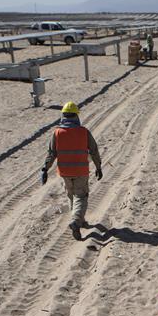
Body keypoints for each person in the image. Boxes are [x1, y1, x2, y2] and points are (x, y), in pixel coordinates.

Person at [40, 101, 103, 240]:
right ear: (76, 116)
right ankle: (76, 221)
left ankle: (80, 219)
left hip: (65, 172)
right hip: (81, 171)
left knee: (71, 196)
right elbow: (94, 150)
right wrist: (98, 167)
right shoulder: (84, 132)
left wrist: (45, 168)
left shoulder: (57, 133)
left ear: (63, 116)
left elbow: (51, 153)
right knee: (81, 196)